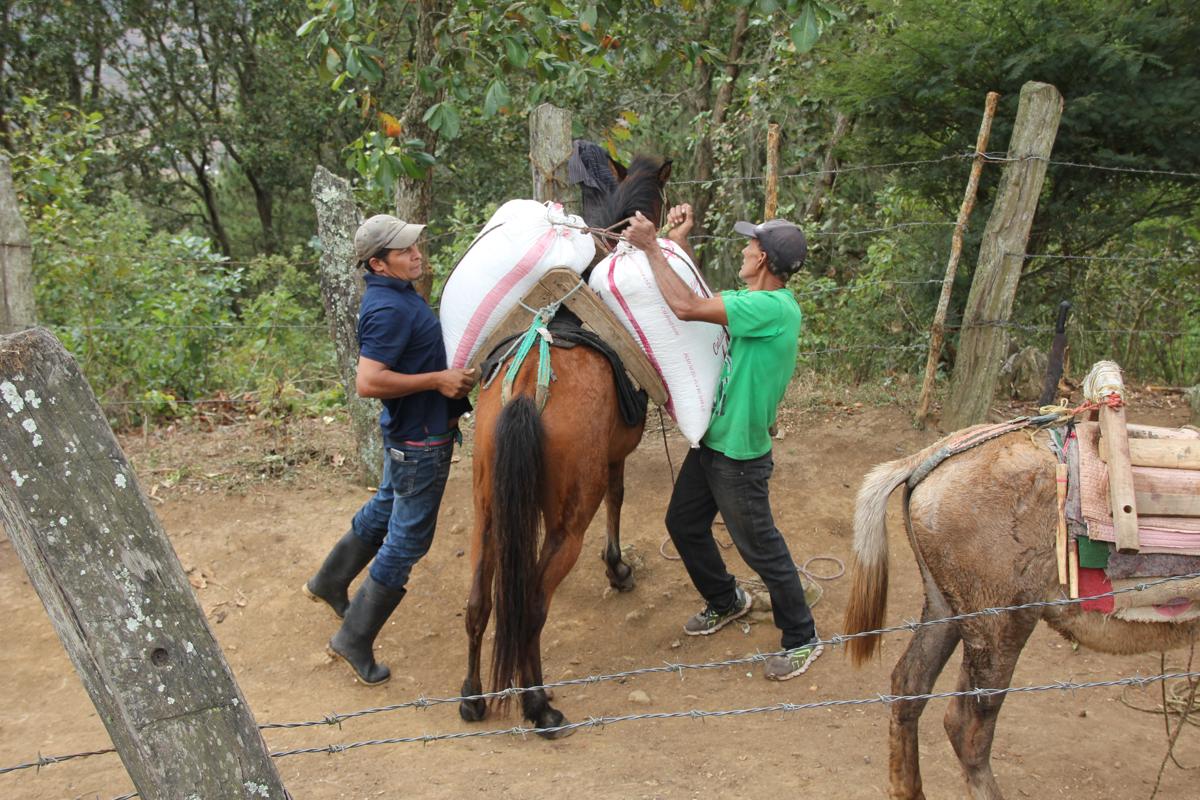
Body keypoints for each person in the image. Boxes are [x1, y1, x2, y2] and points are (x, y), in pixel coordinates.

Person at [625, 206, 822, 681]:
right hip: (714, 441)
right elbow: (699, 297)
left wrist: (651, 247)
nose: (744, 250)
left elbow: (687, 308)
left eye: (751, 245)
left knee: (761, 547)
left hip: (740, 456)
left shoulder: (773, 308)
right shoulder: (752, 302)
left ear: (764, 259)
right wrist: (678, 241)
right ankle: (726, 599)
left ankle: (802, 637)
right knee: (683, 523)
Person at [303, 213, 476, 686]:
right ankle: (353, 638)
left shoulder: (396, 294)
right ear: (378, 264)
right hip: (420, 440)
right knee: (407, 540)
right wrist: (438, 380)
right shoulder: (389, 310)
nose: (417, 254)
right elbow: (369, 381)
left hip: (407, 433)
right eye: (404, 251)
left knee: (385, 506)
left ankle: (330, 581)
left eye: (415, 245)